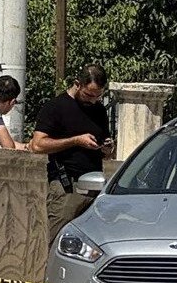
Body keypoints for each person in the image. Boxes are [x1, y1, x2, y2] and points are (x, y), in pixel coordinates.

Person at [30, 63, 115, 243]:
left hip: (94, 187)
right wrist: (76, 140)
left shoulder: (99, 110)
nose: (93, 100)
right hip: (66, 185)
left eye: (98, 96)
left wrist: (107, 148)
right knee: (58, 241)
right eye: (88, 95)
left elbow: (105, 150)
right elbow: (37, 145)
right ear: (77, 84)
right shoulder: (56, 107)